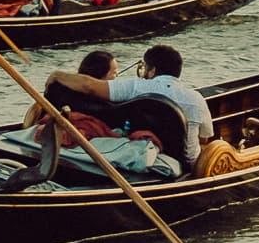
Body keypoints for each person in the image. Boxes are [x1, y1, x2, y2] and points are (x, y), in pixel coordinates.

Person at [41, 43, 215, 168]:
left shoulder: (135, 86)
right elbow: (204, 139)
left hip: (149, 153)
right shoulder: (197, 99)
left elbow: (89, 85)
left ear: (152, 70)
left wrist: (57, 75)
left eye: (146, 68)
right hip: (187, 164)